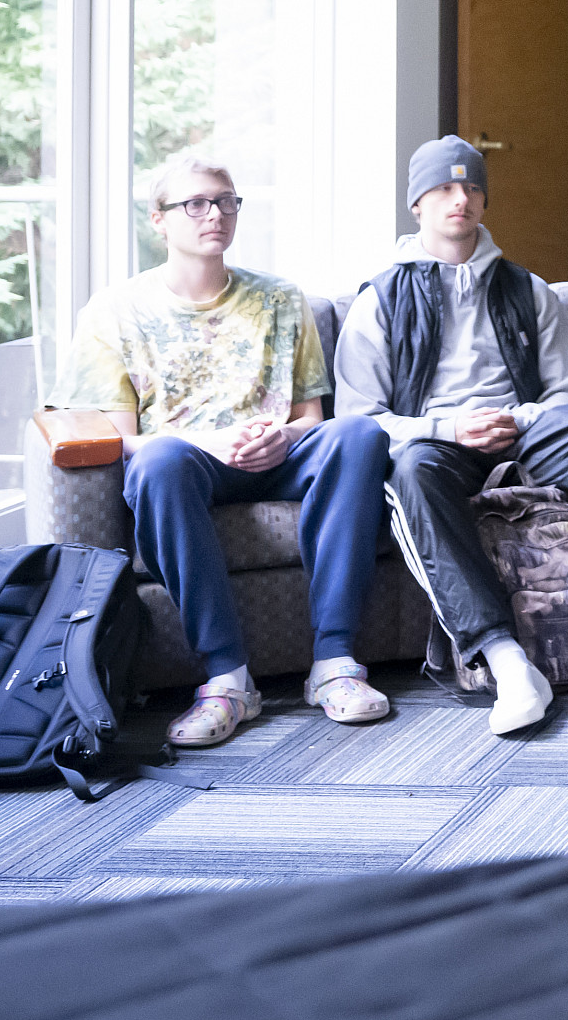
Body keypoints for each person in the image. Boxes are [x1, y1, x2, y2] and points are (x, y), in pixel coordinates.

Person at [59, 151, 394, 745]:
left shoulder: (281, 299)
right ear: (158, 219)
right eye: (195, 203)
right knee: (159, 460)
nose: (214, 213)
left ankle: (335, 665)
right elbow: (121, 436)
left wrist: (285, 436)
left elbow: (312, 416)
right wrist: (204, 441)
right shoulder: (114, 310)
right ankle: (227, 681)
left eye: (225, 201)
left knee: (359, 434)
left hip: (277, 455)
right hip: (187, 461)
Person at [334, 136, 568, 736]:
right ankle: (508, 666)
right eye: (446, 188)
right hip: (438, 444)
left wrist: (524, 417)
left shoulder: (527, 289)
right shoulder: (379, 300)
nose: (462, 198)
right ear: (418, 205)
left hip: (528, 430)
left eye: (473, 187)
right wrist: (448, 426)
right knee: (411, 473)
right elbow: (360, 419)